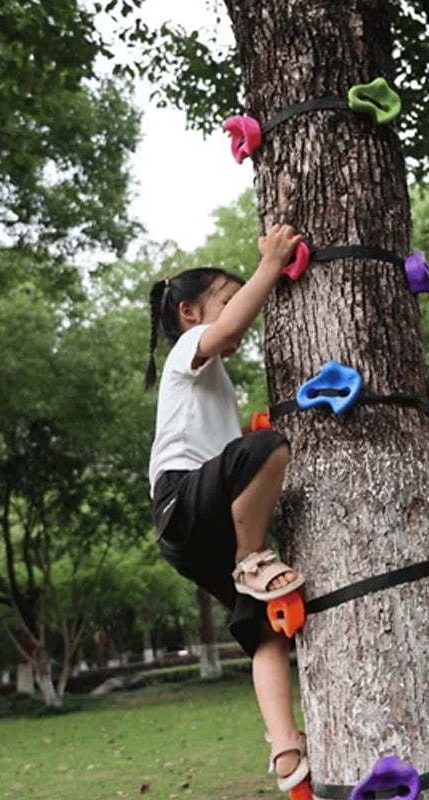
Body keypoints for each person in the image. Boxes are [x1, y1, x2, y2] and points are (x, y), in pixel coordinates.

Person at [145, 223, 308, 793]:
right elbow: (235, 325)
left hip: (193, 528)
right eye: (226, 297)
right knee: (267, 448)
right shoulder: (187, 350)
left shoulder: (210, 378)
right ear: (189, 312)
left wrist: (241, 441)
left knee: (265, 631)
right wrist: (271, 263)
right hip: (182, 500)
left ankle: (288, 756)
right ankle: (251, 556)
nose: (237, 307)